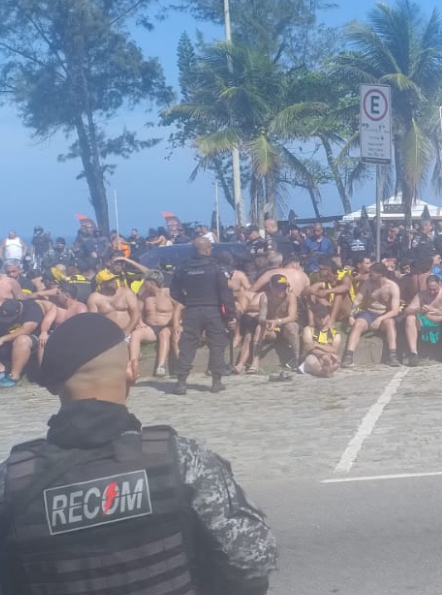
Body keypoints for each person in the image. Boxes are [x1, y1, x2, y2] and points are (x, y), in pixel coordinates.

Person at [0, 313, 276, 593]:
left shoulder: (12, 481)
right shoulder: (183, 461)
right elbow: (251, 560)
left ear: (51, 385)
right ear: (132, 371)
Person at [169, 237, 236, 395]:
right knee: (216, 345)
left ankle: (181, 382)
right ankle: (216, 381)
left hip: (192, 310)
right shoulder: (216, 268)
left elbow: (174, 291)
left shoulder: (183, 268)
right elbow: (225, 294)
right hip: (213, 310)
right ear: (207, 249)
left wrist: (187, 301)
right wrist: (231, 315)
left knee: (188, 345)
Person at [342, 263, 401, 368]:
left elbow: (395, 310)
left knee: (390, 323)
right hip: (369, 313)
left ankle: (393, 355)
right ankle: (348, 356)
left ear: (380, 275)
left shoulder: (392, 287)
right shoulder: (367, 284)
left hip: (384, 314)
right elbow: (357, 301)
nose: (369, 276)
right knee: (358, 324)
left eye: (371, 274)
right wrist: (351, 315)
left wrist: (380, 319)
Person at [402, 274, 442, 366]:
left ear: (439, 285)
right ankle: (413, 353)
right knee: (410, 318)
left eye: (435, 289)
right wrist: (419, 309)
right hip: (424, 321)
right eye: (430, 289)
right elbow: (407, 311)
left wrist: (437, 311)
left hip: (441, 321)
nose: (432, 292)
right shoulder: (421, 295)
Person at [0, 298, 42, 387]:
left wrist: (3, 339)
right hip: (8, 338)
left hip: (32, 337)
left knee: (22, 340)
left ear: (19, 310)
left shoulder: (32, 308)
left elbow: (27, 330)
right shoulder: (4, 308)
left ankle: (14, 376)